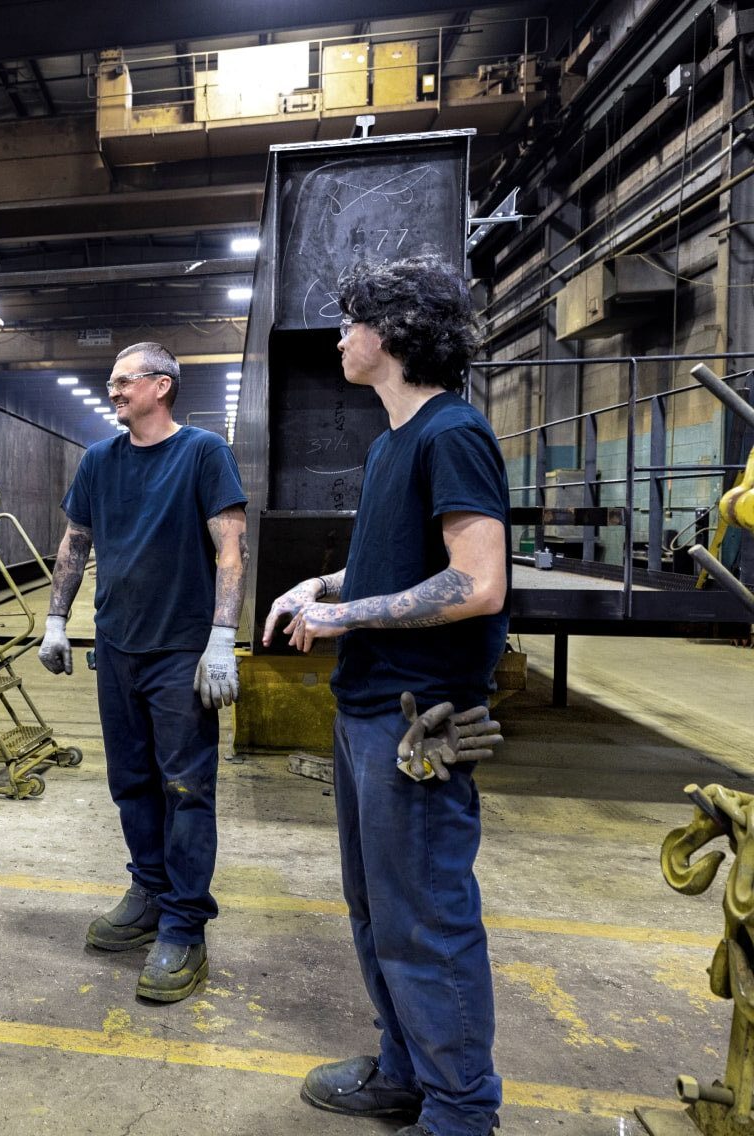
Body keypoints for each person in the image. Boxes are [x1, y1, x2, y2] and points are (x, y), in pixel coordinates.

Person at [262, 254, 508, 1136]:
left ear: (393, 335)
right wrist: (320, 588)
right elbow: (388, 561)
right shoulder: (389, 442)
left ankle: (459, 1113)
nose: (340, 335)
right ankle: (406, 1073)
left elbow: (476, 583)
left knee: (427, 926)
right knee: (376, 912)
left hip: (421, 725)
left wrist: (347, 617)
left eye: (351, 320)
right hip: (368, 715)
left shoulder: (452, 433)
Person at [37, 341, 248, 1004]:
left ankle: (185, 926)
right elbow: (76, 542)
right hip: (119, 648)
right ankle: (151, 891)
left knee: (185, 789)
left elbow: (231, 549)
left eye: (124, 381)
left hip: (181, 653)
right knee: (131, 783)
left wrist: (220, 640)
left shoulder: (203, 453)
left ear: (161, 386)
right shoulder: (100, 460)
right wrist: (54, 619)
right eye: (112, 382)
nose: (114, 391)